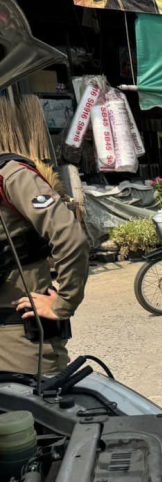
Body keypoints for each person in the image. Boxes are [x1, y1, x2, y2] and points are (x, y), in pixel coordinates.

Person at [0, 156, 89, 376]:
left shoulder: (11, 176)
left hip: (18, 340)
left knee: (40, 395)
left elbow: (70, 237)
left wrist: (64, 302)